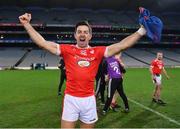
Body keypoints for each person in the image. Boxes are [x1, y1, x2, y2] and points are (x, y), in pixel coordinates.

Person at [19, 13, 146, 128]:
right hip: (71, 99)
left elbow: (122, 45)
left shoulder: (97, 51)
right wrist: (27, 25)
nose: (82, 34)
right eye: (79, 32)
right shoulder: (67, 50)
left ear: (90, 36)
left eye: (85, 32)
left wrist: (141, 30)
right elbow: (43, 43)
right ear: (75, 35)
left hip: (89, 100)